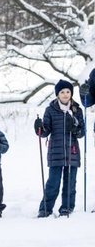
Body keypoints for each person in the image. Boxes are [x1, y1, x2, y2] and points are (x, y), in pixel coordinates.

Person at [34, 79, 85, 217]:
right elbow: (45, 132)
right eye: (62, 92)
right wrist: (39, 128)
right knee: (53, 183)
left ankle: (66, 207)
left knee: (70, 184)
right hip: (55, 152)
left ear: (71, 93)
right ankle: (45, 208)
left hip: (72, 152)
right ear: (57, 94)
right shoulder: (50, 110)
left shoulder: (77, 110)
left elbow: (82, 133)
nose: (65, 94)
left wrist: (74, 129)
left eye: (68, 91)